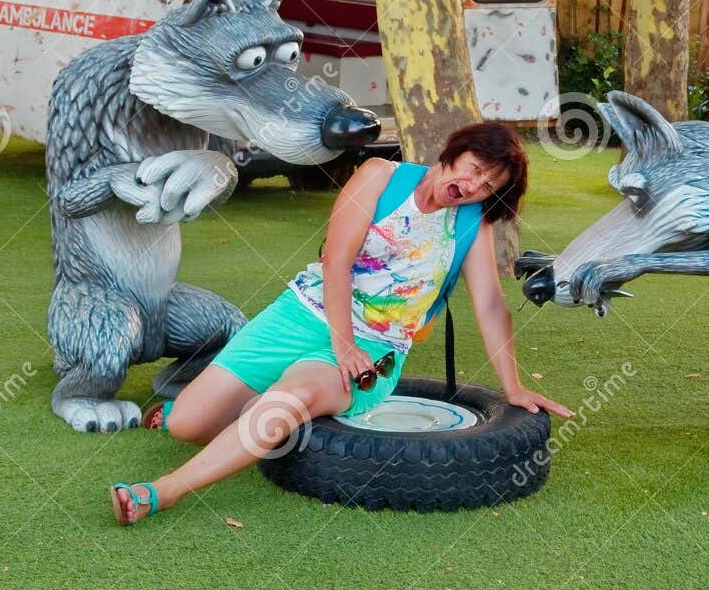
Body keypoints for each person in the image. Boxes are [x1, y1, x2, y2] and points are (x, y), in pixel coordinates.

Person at [110, 121, 573, 524]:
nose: (472, 186)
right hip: (300, 314)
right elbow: (336, 261)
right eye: (474, 168)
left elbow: (490, 304)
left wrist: (513, 388)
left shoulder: (472, 224)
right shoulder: (381, 176)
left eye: (488, 186)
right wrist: (341, 342)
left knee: (293, 396)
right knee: (186, 424)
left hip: (374, 345)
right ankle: (246, 412)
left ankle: (166, 490)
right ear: (455, 151)